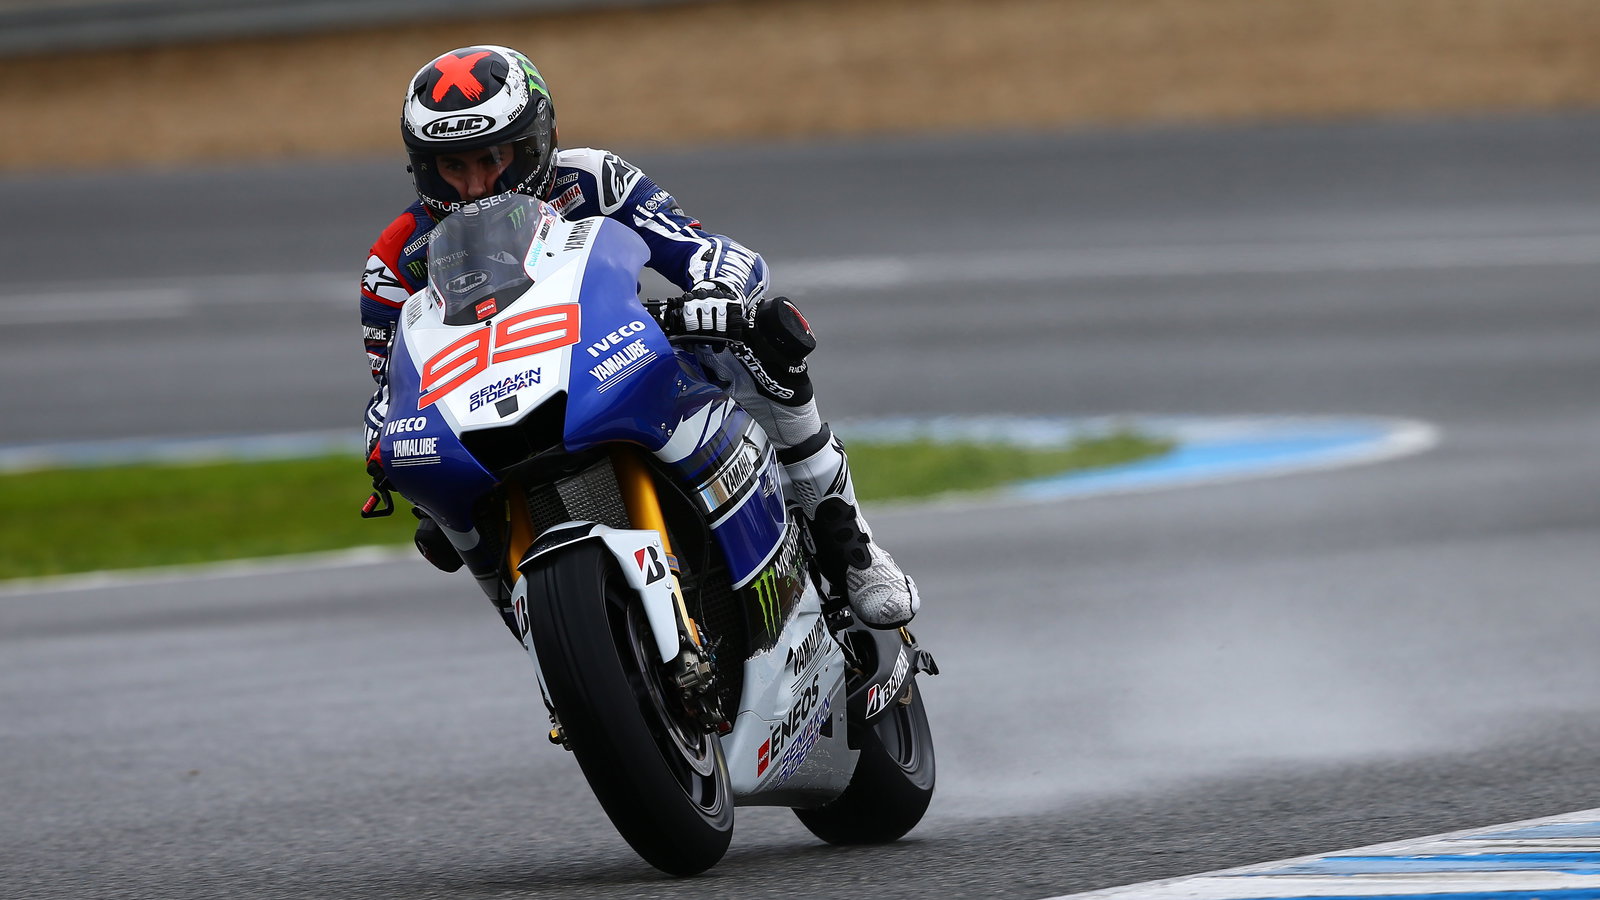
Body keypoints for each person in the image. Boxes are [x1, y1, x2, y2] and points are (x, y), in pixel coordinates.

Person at [359, 45, 917, 628]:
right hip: (489, 401)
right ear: (423, 168)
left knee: (763, 337)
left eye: (493, 158)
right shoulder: (395, 257)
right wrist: (386, 450)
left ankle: (846, 538)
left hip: (612, 358)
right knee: (436, 510)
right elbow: (392, 385)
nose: (477, 185)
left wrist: (716, 293)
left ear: (537, 142)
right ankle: (540, 630)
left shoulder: (592, 179)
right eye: (453, 167)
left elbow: (712, 251)